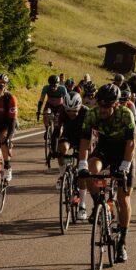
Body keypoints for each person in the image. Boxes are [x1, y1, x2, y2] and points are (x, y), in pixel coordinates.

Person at [77, 84, 135, 263]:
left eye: (107, 106)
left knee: (123, 198)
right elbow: (85, 141)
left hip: (123, 154)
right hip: (104, 150)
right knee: (89, 173)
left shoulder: (126, 114)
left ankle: (122, 243)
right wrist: (82, 164)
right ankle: (98, 203)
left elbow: (130, 144)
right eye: (100, 105)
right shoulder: (92, 114)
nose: (102, 109)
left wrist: (124, 167)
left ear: (116, 104)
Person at [56, 93, 89, 221]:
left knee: (82, 175)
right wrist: (55, 150)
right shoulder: (62, 111)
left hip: (83, 138)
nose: (71, 114)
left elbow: (92, 133)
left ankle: (82, 206)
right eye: (68, 111)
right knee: (61, 149)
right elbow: (57, 130)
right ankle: (63, 174)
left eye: (74, 111)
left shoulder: (87, 112)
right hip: (69, 135)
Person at [37, 74, 69, 160]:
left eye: (55, 86)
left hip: (60, 106)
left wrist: (66, 113)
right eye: (51, 86)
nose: (53, 88)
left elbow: (66, 101)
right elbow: (41, 100)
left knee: (57, 122)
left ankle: (57, 133)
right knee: (46, 113)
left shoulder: (63, 88)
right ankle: (47, 128)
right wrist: (39, 111)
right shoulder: (46, 88)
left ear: (58, 84)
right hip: (50, 104)